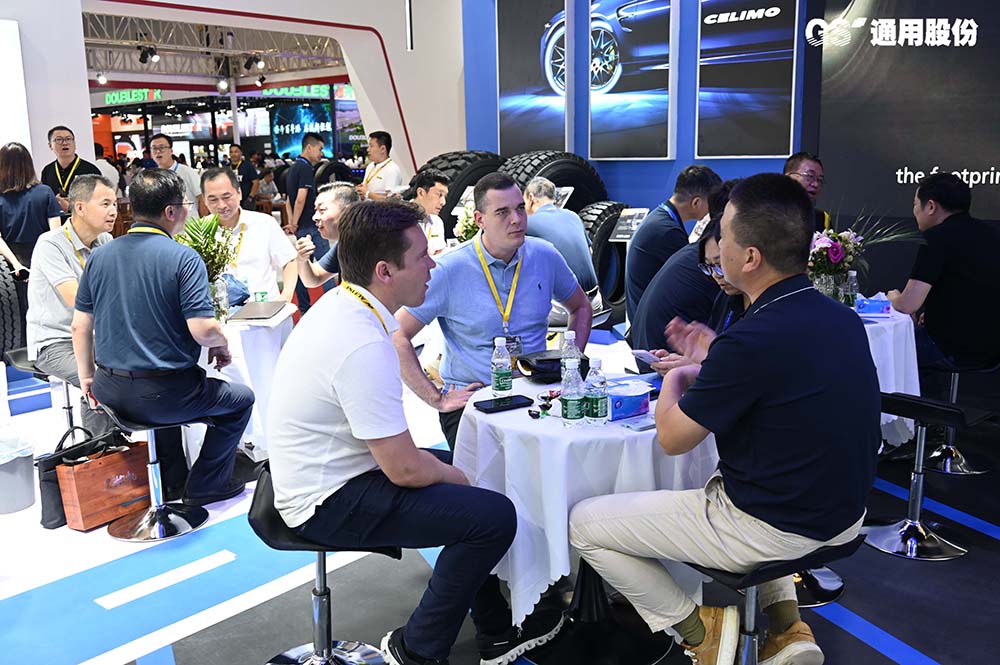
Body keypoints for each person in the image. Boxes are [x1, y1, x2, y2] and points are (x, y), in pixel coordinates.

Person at [570, 173, 880, 665]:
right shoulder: (839, 317)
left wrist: (678, 376)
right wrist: (716, 361)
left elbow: (672, 438)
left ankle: (702, 633)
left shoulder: (751, 338)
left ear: (750, 257)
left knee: (584, 523)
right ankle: (788, 627)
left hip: (772, 524)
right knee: (747, 477)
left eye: (724, 237)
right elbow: (782, 383)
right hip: (844, 515)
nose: (716, 247)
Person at [267, 199, 564, 665]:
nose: (433, 265)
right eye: (422, 256)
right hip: (325, 498)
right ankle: (418, 650)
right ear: (385, 271)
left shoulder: (346, 308)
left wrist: (462, 477)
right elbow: (405, 469)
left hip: (334, 470)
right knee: (490, 514)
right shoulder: (362, 342)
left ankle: (494, 628)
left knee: (480, 479)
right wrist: (460, 479)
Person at [71, 168, 254, 505]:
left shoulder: (100, 256)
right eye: (185, 204)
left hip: (109, 391)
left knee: (167, 395)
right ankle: (206, 485)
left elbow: (80, 326)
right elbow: (203, 329)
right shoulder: (183, 257)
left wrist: (86, 377)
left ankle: (171, 482)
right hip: (167, 395)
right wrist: (222, 343)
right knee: (241, 400)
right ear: (170, 211)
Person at [393, 172, 592, 449]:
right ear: (479, 220)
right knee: (486, 476)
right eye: (502, 212)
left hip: (535, 394)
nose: (517, 219)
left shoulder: (544, 255)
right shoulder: (450, 269)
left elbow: (581, 307)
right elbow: (397, 335)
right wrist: (436, 398)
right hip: (474, 400)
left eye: (520, 208)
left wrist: (570, 365)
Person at [26, 175, 116, 435]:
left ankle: (120, 445)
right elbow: (77, 300)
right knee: (100, 381)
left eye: (114, 204)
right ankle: (99, 449)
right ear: (80, 207)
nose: (113, 211)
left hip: (96, 338)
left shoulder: (105, 242)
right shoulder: (50, 244)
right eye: (105, 204)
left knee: (133, 372)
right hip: (55, 341)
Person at [888, 172, 1000, 368]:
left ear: (931, 206)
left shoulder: (936, 237)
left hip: (949, 349)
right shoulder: (992, 234)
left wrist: (892, 297)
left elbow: (907, 305)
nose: (914, 211)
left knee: (879, 348)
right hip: (992, 351)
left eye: (915, 204)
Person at [625, 166, 721, 320]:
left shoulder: (659, 219)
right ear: (696, 202)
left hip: (644, 316)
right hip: (655, 323)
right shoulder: (667, 232)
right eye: (711, 202)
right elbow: (696, 278)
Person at [201, 168, 297, 302]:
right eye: (213, 200)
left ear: (239, 193)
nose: (221, 205)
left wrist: (286, 296)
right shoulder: (200, 232)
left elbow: (289, 260)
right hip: (222, 312)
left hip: (265, 308)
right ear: (204, 200)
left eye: (226, 197)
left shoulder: (264, 223)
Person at [1, 142, 63, 344]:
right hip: (44, 261)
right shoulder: (45, 192)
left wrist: (16, 264)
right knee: (48, 315)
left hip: (11, 267)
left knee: (16, 319)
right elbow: (55, 234)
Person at [524, 176, 598, 292]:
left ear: (531, 198)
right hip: (595, 295)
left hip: (566, 300)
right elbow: (590, 252)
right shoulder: (573, 216)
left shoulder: (528, 223)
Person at [285, 132, 331, 314]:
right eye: (320, 149)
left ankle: (304, 306)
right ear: (309, 147)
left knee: (301, 265)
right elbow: (300, 199)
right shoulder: (305, 169)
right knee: (328, 265)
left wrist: (292, 222)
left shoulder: (292, 168)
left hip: (301, 227)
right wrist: (295, 223)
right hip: (310, 226)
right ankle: (333, 303)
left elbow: (288, 200)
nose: (321, 153)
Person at [295, 182, 359, 288]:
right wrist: (302, 260)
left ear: (348, 211)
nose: (315, 217)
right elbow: (313, 279)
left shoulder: (374, 244)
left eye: (322, 210)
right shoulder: (343, 243)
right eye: (316, 210)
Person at [149, 133, 207, 217]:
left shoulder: (186, 172)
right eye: (154, 148)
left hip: (189, 223)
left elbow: (202, 198)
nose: (158, 151)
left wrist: (202, 222)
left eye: (162, 147)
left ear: (171, 151)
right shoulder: (153, 177)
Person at [404, 169, 449, 255]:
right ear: (421, 193)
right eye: (439, 195)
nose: (443, 202)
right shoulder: (398, 219)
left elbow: (439, 253)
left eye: (444, 196)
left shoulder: (437, 221)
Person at [783, 152, 829, 232]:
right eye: (810, 176)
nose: (816, 184)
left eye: (819, 180)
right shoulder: (767, 212)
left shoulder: (822, 218)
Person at [358, 131, 403, 201]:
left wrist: (367, 193)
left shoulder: (392, 169)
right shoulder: (370, 166)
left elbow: (391, 200)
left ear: (382, 149)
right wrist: (361, 192)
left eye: (371, 146)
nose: (368, 150)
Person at [228, 144, 260, 210]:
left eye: (236, 152)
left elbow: (256, 182)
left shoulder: (248, 166)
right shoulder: (227, 168)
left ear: (241, 153)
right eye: (231, 152)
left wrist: (250, 197)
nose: (233, 154)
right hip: (232, 200)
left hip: (246, 200)